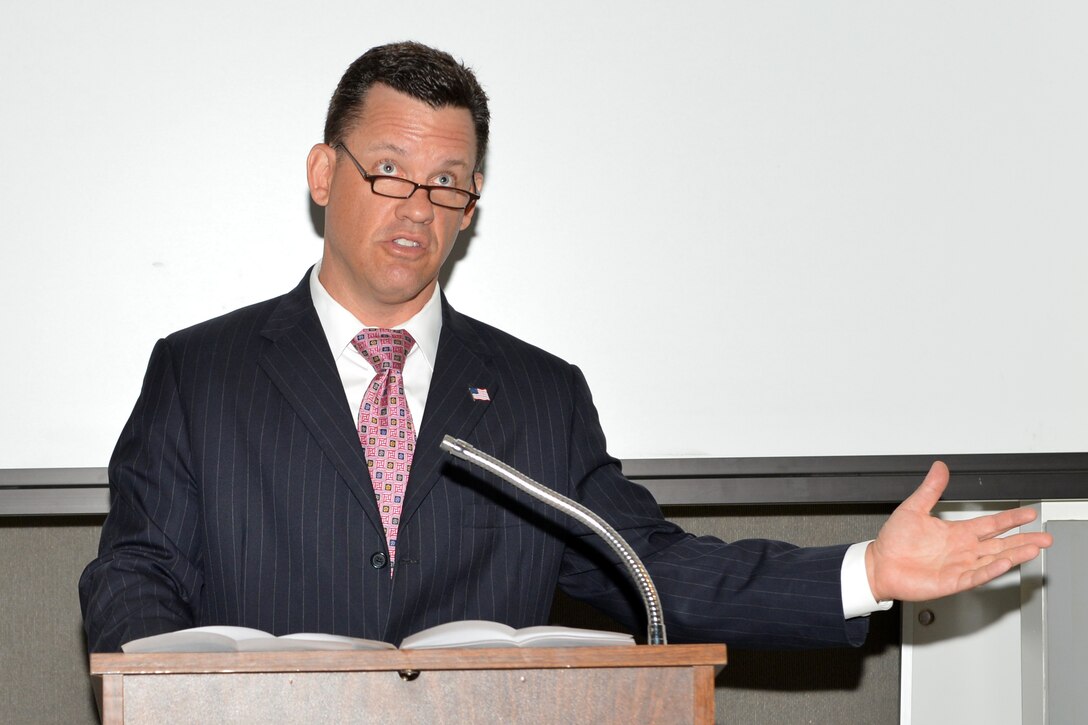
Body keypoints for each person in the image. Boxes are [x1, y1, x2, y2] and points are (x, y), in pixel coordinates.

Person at [79, 41, 1052, 653]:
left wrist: (863, 574)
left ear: (471, 208)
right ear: (323, 173)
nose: (418, 206)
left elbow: (651, 567)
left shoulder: (538, 395)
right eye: (389, 172)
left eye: (447, 183)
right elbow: (134, 574)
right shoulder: (200, 372)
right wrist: (191, 688)